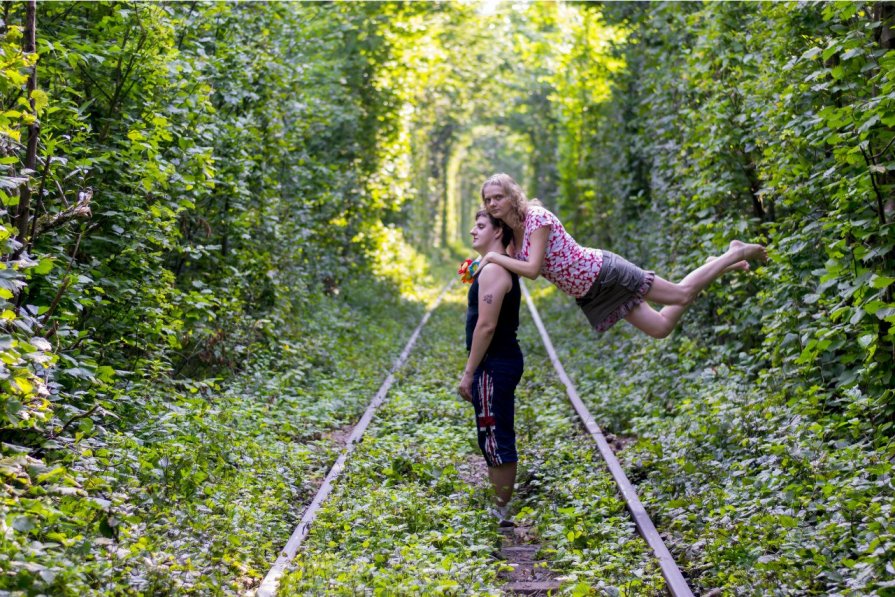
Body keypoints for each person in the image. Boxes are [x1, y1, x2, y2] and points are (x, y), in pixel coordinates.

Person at [475, 173, 767, 338]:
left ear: (513, 196)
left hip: (604, 272)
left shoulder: (536, 218)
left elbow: (533, 269)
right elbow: (509, 266)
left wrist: (492, 258)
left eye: (498, 197)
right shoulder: (512, 235)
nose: (493, 203)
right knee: (661, 328)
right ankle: (717, 265)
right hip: (593, 293)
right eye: (488, 200)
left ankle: (734, 252)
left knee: (680, 295)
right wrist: (483, 259)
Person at [458, 209, 523, 527]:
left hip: (495, 363)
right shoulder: (492, 266)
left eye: (481, 226)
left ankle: (500, 511)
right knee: (491, 431)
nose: (473, 231)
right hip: (498, 362)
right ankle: (499, 506)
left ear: (499, 232)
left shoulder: (495, 270)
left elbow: (486, 325)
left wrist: (469, 371)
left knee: (495, 434)